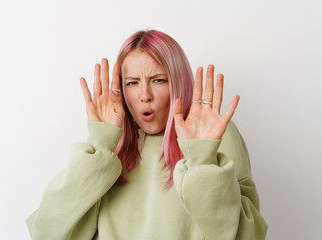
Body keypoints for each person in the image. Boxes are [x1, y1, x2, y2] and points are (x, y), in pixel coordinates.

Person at [26, 29, 268, 240]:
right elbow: (47, 233)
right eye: (132, 83)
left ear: (179, 83)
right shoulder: (110, 145)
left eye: (159, 80)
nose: (145, 95)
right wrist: (101, 143)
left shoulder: (215, 136)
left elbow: (247, 236)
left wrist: (202, 158)